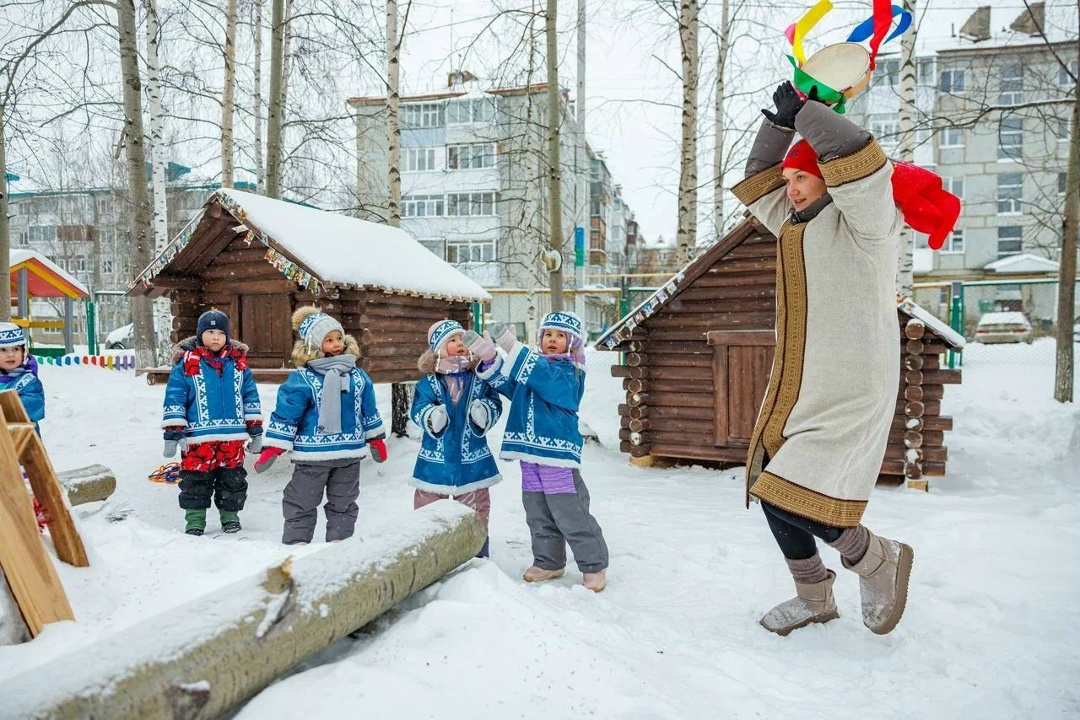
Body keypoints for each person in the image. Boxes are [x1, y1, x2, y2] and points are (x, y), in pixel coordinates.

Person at [731, 81, 914, 636]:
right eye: (789, 180)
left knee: (798, 497)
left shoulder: (867, 222)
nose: (791, 190)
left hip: (852, 384)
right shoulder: (795, 225)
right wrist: (779, 121)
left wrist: (809, 111)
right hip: (800, 385)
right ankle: (814, 596)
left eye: (802, 177)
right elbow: (758, 174)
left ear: (830, 177)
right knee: (769, 482)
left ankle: (875, 557)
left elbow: (857, 150)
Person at [478, 311, 609, 592]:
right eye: (548, 334)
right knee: (537, 511)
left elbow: (544, 378)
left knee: (569, 511)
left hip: (557, 455)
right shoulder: (535, 369)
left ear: (572, 342)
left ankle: (593, 564)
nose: (552, 340)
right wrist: (491, 359)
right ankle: (549, 561)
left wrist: (514, 348)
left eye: (560, 335)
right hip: (530, 454)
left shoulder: (571, 371)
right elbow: (512, 385)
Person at [255, 307, 386, 545]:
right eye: (329, 340)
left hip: (349, 454)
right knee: (301, 500)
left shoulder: (357, 376)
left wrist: (375, 438)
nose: (337, 344)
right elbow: (287, 413)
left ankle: (340, 544)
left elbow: (368, 408)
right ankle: (296, 544)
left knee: (344, 502)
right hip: (312, 456)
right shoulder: (303, 378)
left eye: (339, 338)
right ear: (315, 345)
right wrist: (274, 446)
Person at [162, 310, 262, 536]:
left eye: (220, 333)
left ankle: (230, 517)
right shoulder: (187, 364)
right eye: (209, 332)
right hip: (198, 438)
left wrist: (255, 429)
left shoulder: (239, 365)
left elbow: (250, 396)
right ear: (200, 334)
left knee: (232, 481)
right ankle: (195, 520)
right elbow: (175, 397)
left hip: (232, 438)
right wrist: (173, 433)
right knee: (196, 481)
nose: (215, 337)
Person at [409, 319, 503, 558]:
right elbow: (417, 408)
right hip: (435, 461)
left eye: (462, 339)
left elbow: (495, 403)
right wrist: (431, 416)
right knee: (429, 509)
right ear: (439, 349)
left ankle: (475, 552)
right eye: (452, 340)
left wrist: (485, 412)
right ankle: (431, 553)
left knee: (476, 508)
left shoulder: (479, 378)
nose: (460, 344)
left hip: (473, 459)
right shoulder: (429, 382)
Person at [0, 323, 49, 531]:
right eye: (3, 349)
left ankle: (29, 532)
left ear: (23, 351)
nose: (10, 354)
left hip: (24, 450)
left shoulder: (28, 382)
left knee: (25, 493)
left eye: (16, 349)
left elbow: (30, 410)